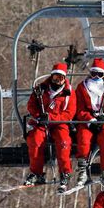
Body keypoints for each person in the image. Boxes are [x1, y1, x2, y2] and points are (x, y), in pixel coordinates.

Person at [24, 62, 77, 192]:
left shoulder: (69, 93)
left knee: (64, 142)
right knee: (35, 140)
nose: (57, 81)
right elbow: (31, 105)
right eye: (55, 77)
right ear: (51, 76)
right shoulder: (41, 89)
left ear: (64, 79)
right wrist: (38, 116)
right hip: (42, 123)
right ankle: (36, 172)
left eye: (60, 78)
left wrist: (52, 118)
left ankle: (65, 172)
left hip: (59, 124)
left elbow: (69, 113)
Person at [74, 58, 104, 187]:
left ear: (103, 75)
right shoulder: (82, 87)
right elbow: (79, 108)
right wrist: (89, 120)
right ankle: (82, 168)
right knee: (83, 137)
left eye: (99, 75)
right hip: (87, 120)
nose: (96, 77)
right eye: (93, 73)